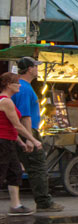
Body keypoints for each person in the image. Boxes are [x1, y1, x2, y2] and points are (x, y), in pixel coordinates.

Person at [11, 57, 63, 211]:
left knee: (14, 167)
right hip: (27, 131)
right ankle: (44, 202)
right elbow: (25, 116)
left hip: (23, 131)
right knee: (37, 167)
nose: (37, 69)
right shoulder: (24, 88)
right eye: (35, 66)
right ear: (29, 69)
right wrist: (30, 139)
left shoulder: (23, 87)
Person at [0, 72, 41, 215]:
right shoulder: (6, 101)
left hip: (8, 141)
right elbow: (17, 125)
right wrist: (33, 139)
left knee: (15, 171)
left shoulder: (7, 100)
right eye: (16, 83)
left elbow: (10, 127)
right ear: (8, 85)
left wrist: (20, 143)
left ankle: (15, 205)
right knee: (3, 173)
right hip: (3, 142)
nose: (19, 85)